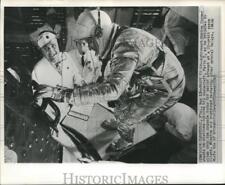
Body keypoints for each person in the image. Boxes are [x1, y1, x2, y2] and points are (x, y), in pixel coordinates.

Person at [34, 9, 186, 151]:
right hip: (153, 75)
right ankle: (120, 120)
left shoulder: (126, 45)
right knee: (121, 103)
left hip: (166, 86)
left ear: (99, 34)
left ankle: (126, 139)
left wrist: (62, 94)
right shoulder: (120, 36)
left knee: (128, 115)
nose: (86, 49)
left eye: (87, 42)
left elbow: (113, 90)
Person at [30, 25, 102, 162]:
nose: (51, 51)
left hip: (75, 104)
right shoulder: (38, 70)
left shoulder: (66, 56)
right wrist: (53, 120)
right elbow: (38, 102)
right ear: (42, 52)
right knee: (74, 150)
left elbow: (76, 77)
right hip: (59, 114)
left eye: (53, 45)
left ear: (57, 43)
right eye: (46, 49)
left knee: (95, 130)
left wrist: (82, 83)